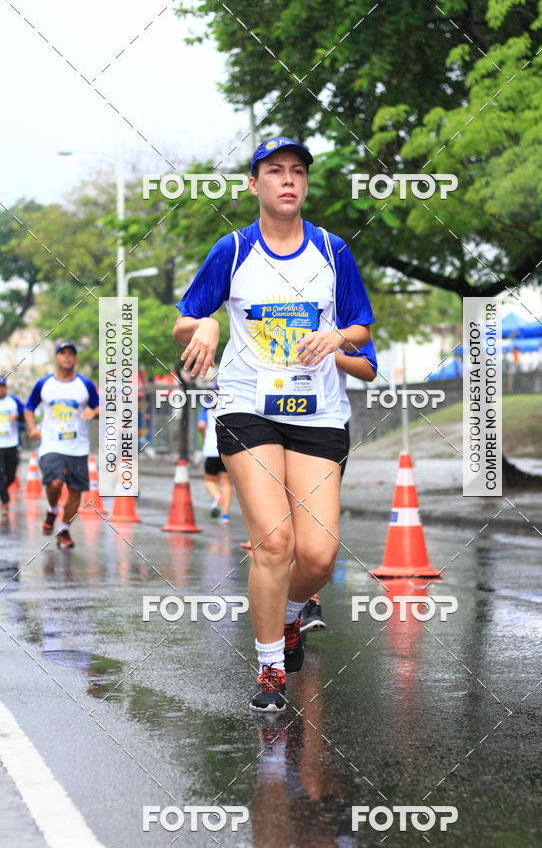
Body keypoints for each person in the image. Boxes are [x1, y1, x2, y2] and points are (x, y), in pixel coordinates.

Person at [173, 136, 374, 712]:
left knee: (317, 555)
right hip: (247, 408)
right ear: (255, 184)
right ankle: (268, 672)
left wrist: (340, 335)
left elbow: (361, 327)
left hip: (318, 411)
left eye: (297, 172)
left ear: (305, 185)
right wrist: (205, 328)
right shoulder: (233, 250)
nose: (288, 179)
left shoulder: (333, 251)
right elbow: (187, 320)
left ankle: (289, 615)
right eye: (275, 171)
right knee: (275, 542)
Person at [299, 340, 378, 632]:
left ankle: (300, 602)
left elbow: (369, 369)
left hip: (326, 424)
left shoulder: (340, 304)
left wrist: (331, 354)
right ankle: (299, 603)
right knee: (282, 521)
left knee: (312, 520)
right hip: (268, 421)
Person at [24, 341, 100, 550]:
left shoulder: (85, 384)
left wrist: (93, 412)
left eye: (71, 354)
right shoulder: (44, 384)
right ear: (56, 358)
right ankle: (51, 509)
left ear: (75, 359)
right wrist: (31, 429)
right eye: (62, 353)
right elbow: (29, 407)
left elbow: (100, 407)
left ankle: (64, 530)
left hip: (78, 446)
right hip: (51, 444)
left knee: (76, 491)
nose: (67, 357)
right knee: (55, 483)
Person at [197, 400, 233, 523]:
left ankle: (217, 497)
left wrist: (205, 436)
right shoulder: (228, 406)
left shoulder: (206, 409)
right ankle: (225, 515)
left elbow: (201, 426)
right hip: (226, 448)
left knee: (209, 480)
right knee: (226, 482)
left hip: (211, 449)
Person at [0, 377, 24, 523]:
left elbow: (26, 414)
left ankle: (3, 490)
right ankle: (5, 502)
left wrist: (19, 417)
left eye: (2, 387)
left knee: (11, 475)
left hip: (11, 444)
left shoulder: (13, 401)